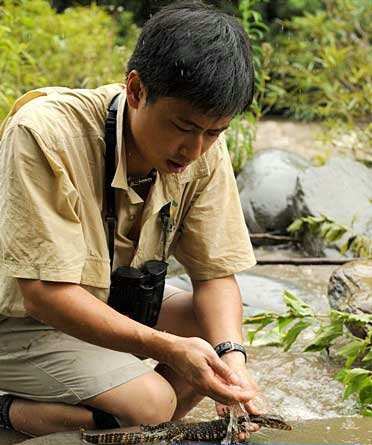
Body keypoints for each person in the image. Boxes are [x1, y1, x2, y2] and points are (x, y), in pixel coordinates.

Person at [0, 0, 259, 438]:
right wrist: (168, 349)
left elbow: (215, 276)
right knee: (153, 403)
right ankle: (9, 412)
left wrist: (232, 360)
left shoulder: (201, 148)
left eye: (214, 133)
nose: (195, 151)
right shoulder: (43, 132)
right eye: (183, 126)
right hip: (19, 316)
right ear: (136, 90)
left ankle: (125, 418)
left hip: (99, 304)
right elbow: (43, 294)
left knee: (210, 332)